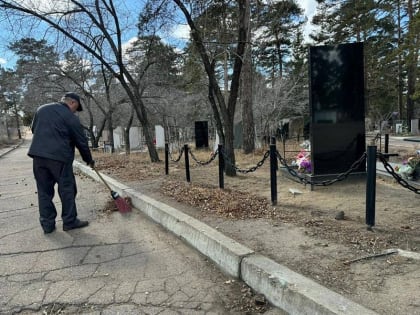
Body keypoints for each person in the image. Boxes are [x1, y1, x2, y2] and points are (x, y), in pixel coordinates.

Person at [28, 92, 95, 234]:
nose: (75, 112)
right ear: (72, 103)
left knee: (44, 191)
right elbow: (81, 142)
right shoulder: (70, 117)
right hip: (60, 159)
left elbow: (34, 129)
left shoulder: (42, 109)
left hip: (38, 156)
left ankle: (47, 225)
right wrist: (89, 160)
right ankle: (69, 221)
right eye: (76, 108)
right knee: (67, 189)